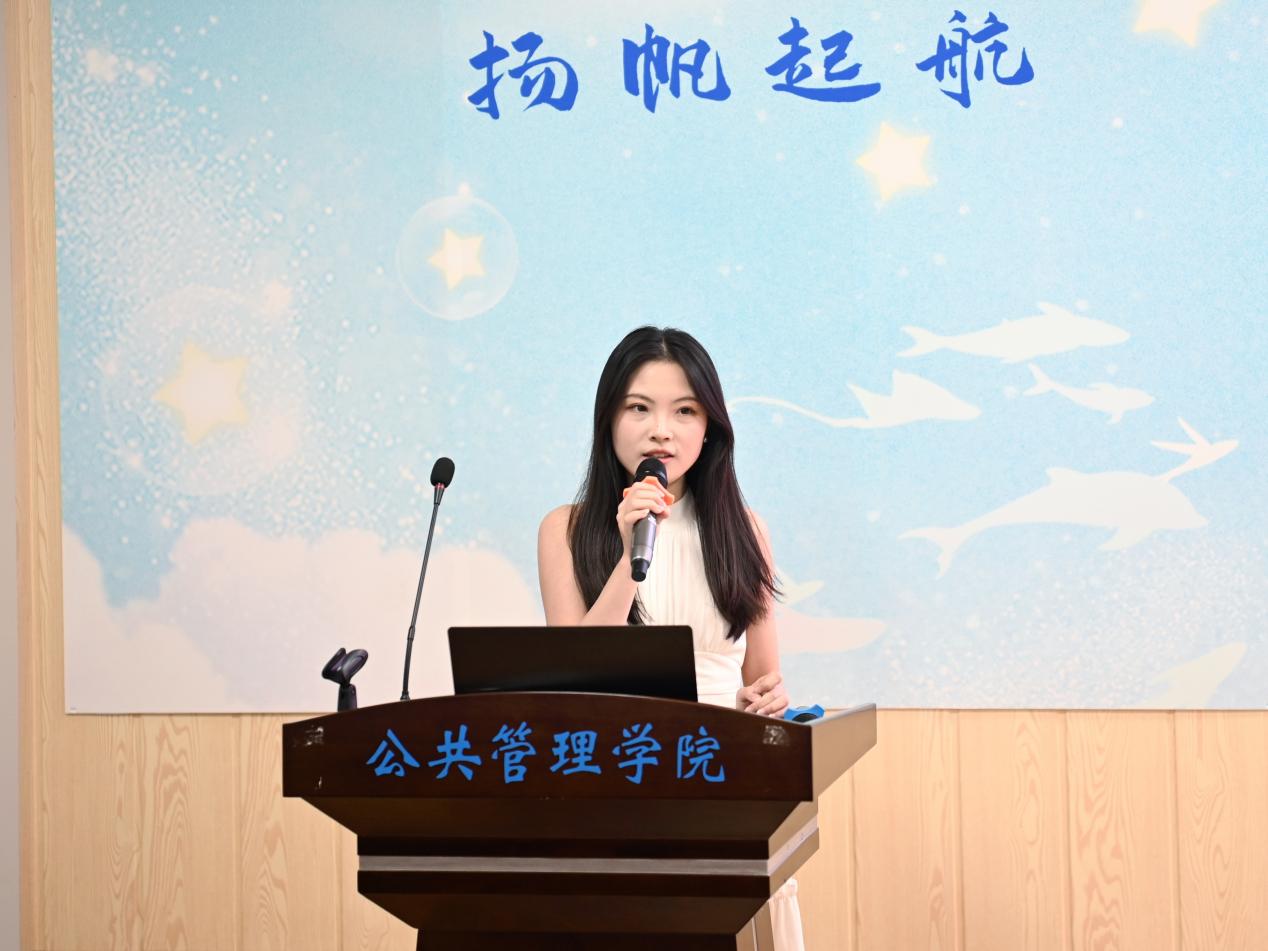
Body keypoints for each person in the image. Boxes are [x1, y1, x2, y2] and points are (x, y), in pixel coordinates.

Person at [537, 326, 804, 949]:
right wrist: (628, 555)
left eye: (685, 411)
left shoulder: (746, 531)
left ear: (709, 427)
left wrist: (768, 697)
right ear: (609, 420)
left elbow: (762, 676)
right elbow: (572, 674)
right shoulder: (565, 529)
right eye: (640, 408)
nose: (662, 431)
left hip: (720, 775)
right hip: (614, 774)